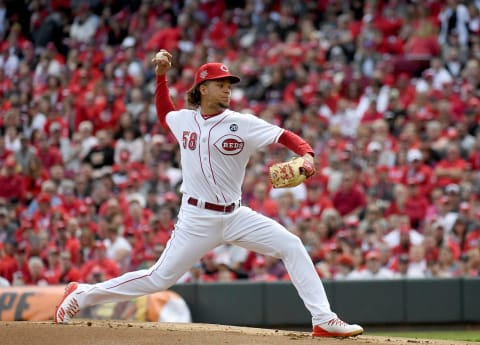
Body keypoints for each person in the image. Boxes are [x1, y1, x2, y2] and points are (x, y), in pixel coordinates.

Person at [54, 50, 363, 337]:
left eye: (230, 84)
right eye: (221, 84)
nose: (228, 88)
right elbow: (165, 113)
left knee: (292, 245)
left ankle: (323, 319)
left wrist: (307, 155)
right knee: (159, 278)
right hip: (196, 217)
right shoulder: (185, 120)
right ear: (202, 88)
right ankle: (82, 294)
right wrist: (161, 76)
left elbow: (285, 136)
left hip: (236, 215)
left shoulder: (242, 124)